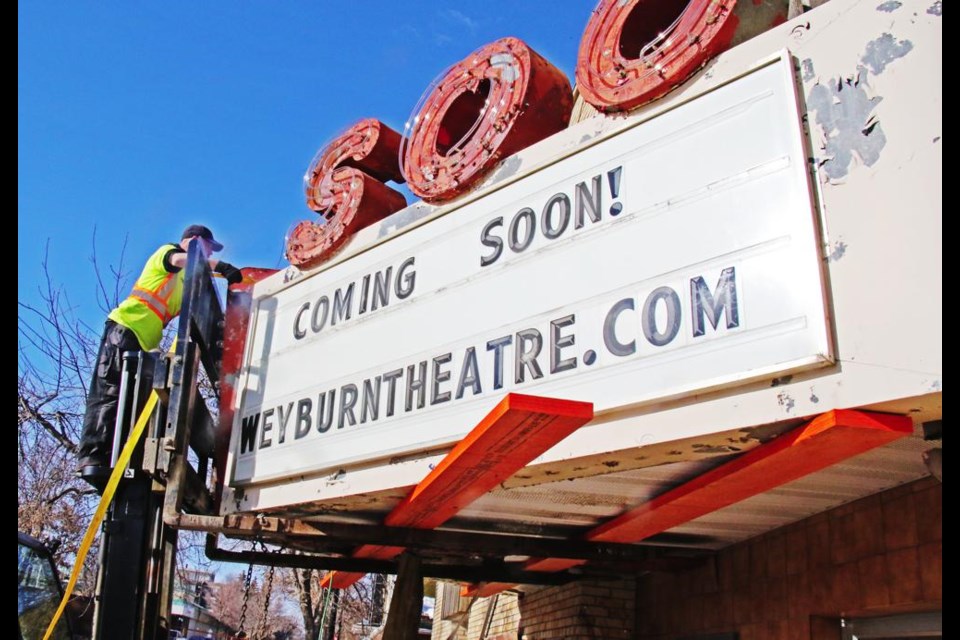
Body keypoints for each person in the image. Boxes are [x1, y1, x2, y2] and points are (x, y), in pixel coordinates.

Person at [76, 224, 243, 485]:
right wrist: (221, 266)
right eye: (209, 246)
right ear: (194, 240)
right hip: (125, 327)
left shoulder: (183, 284)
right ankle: (92, 457)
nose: (210, 251)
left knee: (129, 402)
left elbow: (198, 312)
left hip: (142, 342)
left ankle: (117, 455)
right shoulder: (167, 254)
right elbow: (183, 260)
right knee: (109, 393)